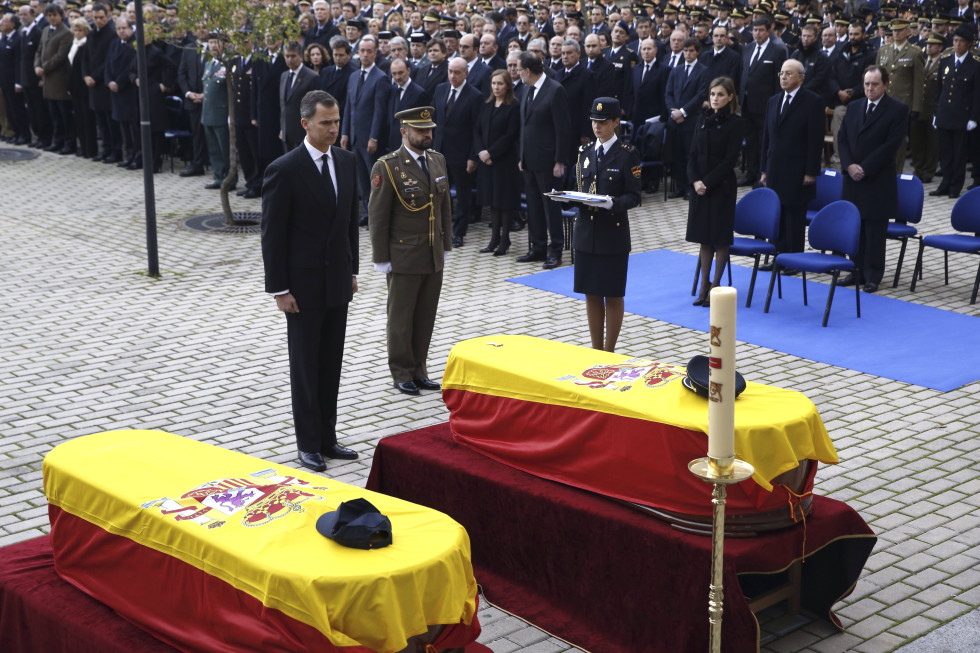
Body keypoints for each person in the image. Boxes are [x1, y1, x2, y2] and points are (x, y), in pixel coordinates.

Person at [260, 90, 360, 473]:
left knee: (331, 363)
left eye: (337, 122)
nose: (333, 129)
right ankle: (307, 444)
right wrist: (279, 289)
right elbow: (273, 235)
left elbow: (350, 222)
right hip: (301, 289)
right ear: (305, 124)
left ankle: (327, 438)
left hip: (337, 282)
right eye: (325, 123)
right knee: (305, 367)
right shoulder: (284, 169)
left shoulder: (347, 161)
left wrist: (352, 271)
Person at [368, 106, 452, 396]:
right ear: (404, 132)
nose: (427, 134)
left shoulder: (437, 160)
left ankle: (420, 369)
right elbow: (378, 216)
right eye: (420, 130)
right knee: (401, 319)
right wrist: (381, 258)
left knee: (425, 316)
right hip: (404, 255)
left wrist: (446, 244)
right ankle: (402, 371)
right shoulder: (388, 166)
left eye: (429, 130)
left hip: (432, 253)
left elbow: (444, 207)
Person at [567, 97, 641, 352]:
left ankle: (609, 351)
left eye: (603, 122)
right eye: (593, 121)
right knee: (591, 292)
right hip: (586, 233)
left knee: (612, 293)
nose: (597, 126)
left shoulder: (627, 154)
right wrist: (566, 197)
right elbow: (578, 187)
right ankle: (595, 349)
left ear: (616, 122)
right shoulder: (584, 152)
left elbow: (634, 196)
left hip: (612, 235)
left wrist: (612, 203)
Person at [837, 65, 908, 293]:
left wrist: (865, 168)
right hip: (853, 178)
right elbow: (842, 138)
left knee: (874, 230)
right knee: (855, 227)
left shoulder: (897, 109)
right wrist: (848, 165)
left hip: (877, 178)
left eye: (875, 84)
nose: (869, 88)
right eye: (866, 84)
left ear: (885, 85)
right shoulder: (855, 106)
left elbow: (891, 145)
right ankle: (855, 270)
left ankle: (873, 275)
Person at [687, 76, 745, 306]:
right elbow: (692, 154)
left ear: (730, 97)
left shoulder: (735, 123)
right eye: (712, 94)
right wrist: (695, 181)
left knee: (720, 238)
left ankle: (715, 286)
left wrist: (707, 183)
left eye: (720, 94)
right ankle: (704, 284)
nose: (715, 98)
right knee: (704, 238)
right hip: (699, 188)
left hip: (721, 188)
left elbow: (730, 160)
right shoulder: (703, 118)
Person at [760, 59, 825, 260]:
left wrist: (811, 171)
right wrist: (764, 169)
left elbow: (815, 140)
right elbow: (767, 138)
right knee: (777, 215)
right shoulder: (773, 101)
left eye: (788, 73)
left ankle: (794, 260)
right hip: (775, 168)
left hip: (798, 170)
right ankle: (777, 258)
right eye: (781, 73)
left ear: (801, 77)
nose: (783, 77)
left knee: (794, 218)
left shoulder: (812, 101)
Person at [516, 50, 571, 269]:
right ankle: (537, 248)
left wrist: (560, 160)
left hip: (548, 161)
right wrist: (521, 156)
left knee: (551, 207)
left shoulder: (555, 90)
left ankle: (555, 250)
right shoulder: (527, 89)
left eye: (519, 69)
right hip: (529, 160)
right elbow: (524, 126)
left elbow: (563, 128)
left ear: (528, 71)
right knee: (534, 206)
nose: (518, 73)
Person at [433, 57, 481, 247]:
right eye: (450, 72)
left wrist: (473, 157)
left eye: (457, 72)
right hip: (439, 152)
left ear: (466, 73)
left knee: (462, 195)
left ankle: (459, 233)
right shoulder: (440, 89)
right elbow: (434, 120)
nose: (453, 76)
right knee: (439, 193)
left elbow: (477, 130)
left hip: (461, 155)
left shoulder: (475, 96)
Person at [341, 34, 389, 223]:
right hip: (354, 137)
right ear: (358, 52)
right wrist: (345, 132)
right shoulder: (353, 76)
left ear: (376, 53)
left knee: (374, 178)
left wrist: (374, 137)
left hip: (370, 139)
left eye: (369, 51)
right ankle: (368, 213)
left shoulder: (381, 78)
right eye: (362, 51)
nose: (365, 54)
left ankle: (378, 216)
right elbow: (348, 107)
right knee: (361, 178)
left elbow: (379, 111)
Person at [474, 69, 522, 255]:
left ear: (508, 85)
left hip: (504, 161)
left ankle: (505, 240)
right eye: (494, 83)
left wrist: (491, 153)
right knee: (493, 201)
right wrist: (481, 152)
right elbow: (477, 130)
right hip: (486, 161)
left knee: (504, 201)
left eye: (500, 83)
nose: (496, 87)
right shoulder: (486, 104)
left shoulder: (513, 106)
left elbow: (510, 135)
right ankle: (494, 238)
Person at [931, 24, 979, 199]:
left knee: (959, 154)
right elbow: (939, 90)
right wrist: (935, 113)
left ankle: (955, 186)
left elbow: (977, 95)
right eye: (955, 40)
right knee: (945, 153)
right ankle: (945, 183)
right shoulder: (945, 61)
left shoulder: (975, 65)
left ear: (969, 44)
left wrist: (974, 117)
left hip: (962, 116)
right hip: (944, 114)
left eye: (961, 41)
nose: (957, 44)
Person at [738, 16, 787, 187]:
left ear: (768, 31)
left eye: (761, 30)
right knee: (750, 142)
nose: (757, 33)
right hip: (746, 103)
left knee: (763, 141)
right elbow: (744, 73)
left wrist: (777, 104)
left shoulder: (777, 50)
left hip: (765, 104)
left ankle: (762, 175)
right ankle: (751, 173)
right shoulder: (747, 48)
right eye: (755, 30)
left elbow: (779, 81)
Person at [665, 36, 709, 200]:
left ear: (697, 52)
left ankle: (691, 187)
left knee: (690, 155)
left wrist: (683, 112)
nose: (688, 54)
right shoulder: (676, 70)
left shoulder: (703, 71)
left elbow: (701, 95)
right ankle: (680, 186)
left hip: (691, 120)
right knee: (676, 154)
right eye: (685, 51)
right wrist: (673, 112)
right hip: (675, 120)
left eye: (691, 51)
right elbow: (668, 93)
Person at [280, 41, 320, 152]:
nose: (290, 59)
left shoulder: (312, 77)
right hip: (286, 134)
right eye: (287, 56)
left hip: (303, 134)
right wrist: (283, 128)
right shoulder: (284, 76)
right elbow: (284, 105)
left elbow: (316, 107)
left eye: (293, 56)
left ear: (301, 56)